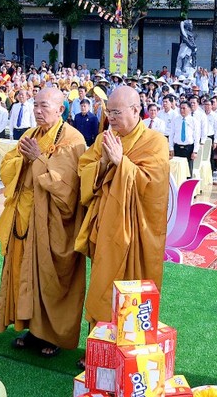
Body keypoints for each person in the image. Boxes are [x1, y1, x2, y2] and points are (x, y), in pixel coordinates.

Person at [0, 88, 87, 356]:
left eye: (44, 106)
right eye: (35, 105)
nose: (37, 110)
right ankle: (33, 330)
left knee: (50, 277)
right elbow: (8, 165)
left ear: (60, 109)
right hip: (25, 219)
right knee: (26, 274)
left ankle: (52, 335)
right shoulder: (31, 134)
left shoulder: (73, 139)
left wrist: (38, 159)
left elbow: (67, 187)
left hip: (53, 223)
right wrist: (24, 161)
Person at [75, 86, 169, 325]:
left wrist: (121, 162)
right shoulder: (103, 139)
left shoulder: (155, 142)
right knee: (102, 283)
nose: (111, 117)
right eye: (109, 112)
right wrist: (103, 163)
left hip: (137, 233)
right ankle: (100, 341)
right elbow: (83, 171)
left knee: (134, 287)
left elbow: (154, 187)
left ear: (136, 110)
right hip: (107, 230)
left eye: (116, 112)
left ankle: (132, 341)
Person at [168, 100, 201, 176]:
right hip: (177, 147)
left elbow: (196, 137)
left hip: (188, 148)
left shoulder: (194, 121)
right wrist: (171, 148)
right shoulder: (175, 120)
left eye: (184, 108)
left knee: (188, 171)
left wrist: (195, 151)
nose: (182, 110)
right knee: (177, 171)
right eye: (181, 108)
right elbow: (171, 134)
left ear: (189, 109)